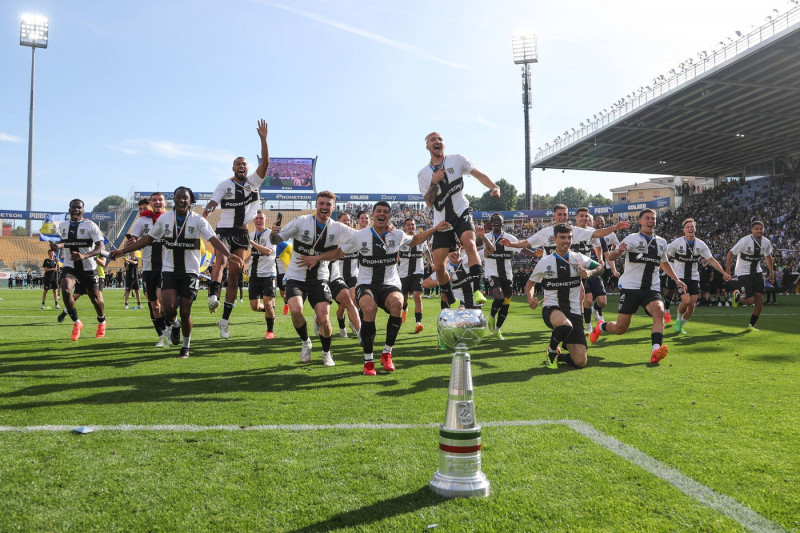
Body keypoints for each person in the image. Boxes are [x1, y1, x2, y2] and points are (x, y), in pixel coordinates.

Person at [304, 201, 450, 375]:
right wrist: (318, 258)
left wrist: (435, 228)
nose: (382, 214)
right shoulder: (360, 236)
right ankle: (368, 360)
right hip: (366, 283)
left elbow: (416, 239)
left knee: (398, 302)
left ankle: (387, 353)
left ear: (389, 216)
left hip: (390, 283)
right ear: (373, 215)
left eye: (386, 212)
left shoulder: (396, 234)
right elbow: (338, 253)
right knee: (369, 308)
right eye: (378, 211)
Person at [111, 186, 242, 358]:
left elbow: (214, 240)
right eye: (178, 197)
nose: (181, 200)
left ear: (190, 201)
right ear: (174, 199)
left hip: (190, 272)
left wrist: (229, 254)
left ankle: (186, 346)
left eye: (185, 197)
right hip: (169, 270)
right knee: (168, 308)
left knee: (186, 310)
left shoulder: (198, 220)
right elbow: (147, 239)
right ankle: (175, 324)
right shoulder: (165, 219)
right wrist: (122, 251)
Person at [589, 209, 687, 364]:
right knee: (621, 328)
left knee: (659, 312)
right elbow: (612, 256)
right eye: (647, 218)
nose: (651, 221)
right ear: (640, 221)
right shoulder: (632, 238)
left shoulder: (661, 242)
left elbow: (664, 263)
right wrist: (619, 251)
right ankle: (601, 326)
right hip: (630, 288)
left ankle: (656, 351)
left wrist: (677, 279)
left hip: (652, 289)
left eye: (653, 218)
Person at [269, 191, 355, 367]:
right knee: (295, 310)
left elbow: (361, 236)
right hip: (295, 276)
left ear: (333, 207)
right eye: (321, 204)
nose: (324, 207)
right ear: (316, 205)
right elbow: (276, 240)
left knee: (323, 319)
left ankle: (326, 353)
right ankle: (306, 342)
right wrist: (273, 232)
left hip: (320, 278)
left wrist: (386, 230)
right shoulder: (301, 222)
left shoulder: (337, 228)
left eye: (328, 204)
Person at [203, 119, 270, 340]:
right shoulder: (225, 184)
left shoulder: (253, 183)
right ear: (233, 167)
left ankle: (224, 321)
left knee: (235, 275)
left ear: (248, 168)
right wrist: (208, 209)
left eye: (244, 164)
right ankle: (213, 295)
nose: (241, 166)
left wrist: (263, 139)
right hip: (224, 229)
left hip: (242, 232)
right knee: (221, 261)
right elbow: (214, 201)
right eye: (238, 164)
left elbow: (266, 163)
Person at [418, 132, 500, 309]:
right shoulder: (423, 174)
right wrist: (433, 182)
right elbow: (429, 202)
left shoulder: (457, 159)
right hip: (442, 221)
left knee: (470, 244)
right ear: (427, 147)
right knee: (439, 265)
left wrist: (493, 186)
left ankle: (478, 290)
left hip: (461, 212)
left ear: (444, 144)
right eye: (432, 139)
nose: (437, 141)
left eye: (439, 139)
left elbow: (478, 174)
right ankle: (449, 294)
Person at [526, 224, 604, 369]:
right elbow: (530, 284)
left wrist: (590, 273)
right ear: (554, 239)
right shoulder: (545, 262)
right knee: (565, 325)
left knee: (580, 362)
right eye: (562, 237)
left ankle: (560, 356)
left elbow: (600, 267)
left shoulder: (578, 258)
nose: (566, 240)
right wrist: (530, 298)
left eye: (569, 237)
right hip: (552, 309)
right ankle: (551, 352)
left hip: (574, 312)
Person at [50, 199, 108, 341]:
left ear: (83, 210)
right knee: (65, 290)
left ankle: (101, 321)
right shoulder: (63, 225)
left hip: (89, 267)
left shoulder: (90, 225)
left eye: (79, 207)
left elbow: (101, 247)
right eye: (73, 207)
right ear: (69, 209)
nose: (76, 209)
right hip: (70, 266)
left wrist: (84, 255)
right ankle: (77, 323)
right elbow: (68, 242)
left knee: (95, 299)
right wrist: (57, 246)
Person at [666, 218, 731, 334]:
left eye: (692, 227)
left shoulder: (700, 244)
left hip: (694, 277)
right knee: (686, 301)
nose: (690, 228)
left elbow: (711, 260)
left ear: (695, 229)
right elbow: (666, 257)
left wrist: (724, 272)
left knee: (692, 304)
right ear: (684, 230)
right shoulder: (677, 243)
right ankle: (678, 320)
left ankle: (680, 326)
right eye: (688, 227)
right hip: (680, 276)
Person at [127, 192, 170, 346]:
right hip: (148, 267)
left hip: (167, 267)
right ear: (151, 203)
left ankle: (171, 326)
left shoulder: (170, 218)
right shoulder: (142, 220)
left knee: (162, 301)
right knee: (154, 304)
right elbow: (132, 240)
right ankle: (162, 335)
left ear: (165, 202)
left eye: (160, 200)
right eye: (154, 200)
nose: (157, 202)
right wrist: (129, 243)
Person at [725, 220, 775, 330]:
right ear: (751, 230)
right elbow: (730, 254)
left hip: (757, 272)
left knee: (759, 299)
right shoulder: (744, 241)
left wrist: (771, 272)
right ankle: (737, 296)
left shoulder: (766, 242)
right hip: (743, 273)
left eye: (761, 229)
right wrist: (727, 271)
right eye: (756, 229)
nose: (759, 231)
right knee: (749, 301)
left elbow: (768, 256)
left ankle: (752, 325)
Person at [480, 213, 516, 340]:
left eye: (499, 220)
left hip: (507, 276)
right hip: (492, 274)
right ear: (491, 222)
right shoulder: (486, 237)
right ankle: (491, 316)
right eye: (494, 220)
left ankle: (497, 329)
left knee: (506, 305)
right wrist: (481, 233)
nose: (497, 222)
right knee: (499, 298)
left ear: (503, 223)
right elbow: (476, 242)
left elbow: (521, 249)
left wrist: (534, 254)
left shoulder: (510, 238)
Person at [248, 210, 277, 339]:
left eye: (261, 218)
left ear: (265, 221)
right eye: (256, 218)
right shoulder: (251, 234)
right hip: (254, 274)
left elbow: (268, 251)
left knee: (267, 302)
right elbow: (250, 254)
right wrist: (242, 262)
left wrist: (253, 243)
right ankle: (270, 310)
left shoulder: (271, 234)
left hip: (268, 273)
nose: (258, 220)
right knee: (254, 307)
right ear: (254, 221)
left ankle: (270, 331)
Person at [398, 217, 431, 334]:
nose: (410, 226)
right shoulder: (401, 239)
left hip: (418, 271)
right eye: (408, 225)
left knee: (417, 296)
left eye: (412, 224)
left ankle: (418, 323)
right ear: (405, 227)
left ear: (416, 226)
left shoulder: (421, 239)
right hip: (403, 272)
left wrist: (432, 263)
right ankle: (405, 309)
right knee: (404, 297)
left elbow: (426, 252)